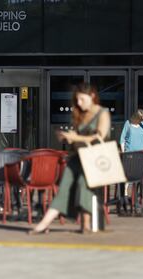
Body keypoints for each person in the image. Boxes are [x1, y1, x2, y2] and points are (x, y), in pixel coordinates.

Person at [29, 83, 111, 234]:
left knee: (83, 186)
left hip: (93, 158)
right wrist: (67, 137)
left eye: (81, 99)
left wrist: (76, 136)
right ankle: (44, 223)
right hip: (76, 157)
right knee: (64, 188)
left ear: (92, 96)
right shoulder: (79, 113)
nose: (78, 103)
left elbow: (100, 136)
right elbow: (76, 135)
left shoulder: (102, 113)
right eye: (77, 100)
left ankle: (85, 225)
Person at [118, 109, 143, 214]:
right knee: (127, 175)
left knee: (142, 176)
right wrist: (123, 153)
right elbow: (122, 139)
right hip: (129, 154)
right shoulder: (128, 123)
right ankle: (125, 195)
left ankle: (140, 197)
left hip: (141, 155)